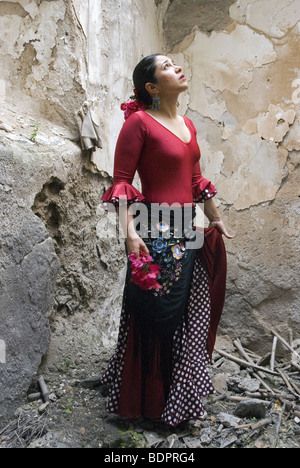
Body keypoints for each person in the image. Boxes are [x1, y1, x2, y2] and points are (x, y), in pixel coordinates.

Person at [100, 54, 233, 427]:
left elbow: (195, 183)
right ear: (152, 87)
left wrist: (216, 219)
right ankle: (145, 404)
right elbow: (122, 184)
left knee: (179, 316)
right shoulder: (138, 123)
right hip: (154, 231)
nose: (177, 67)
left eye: (175, 63)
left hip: (187, 229)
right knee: (153, 313)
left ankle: (176, 399)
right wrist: (129, 236)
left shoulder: (187, 124)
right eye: (166, 66)